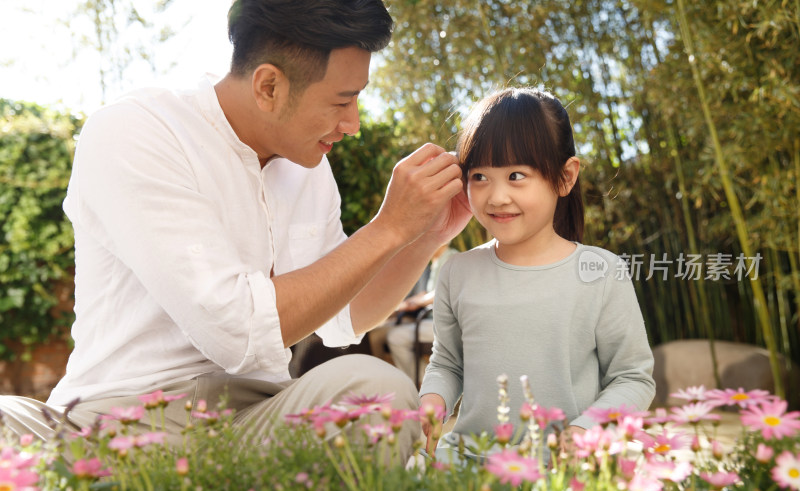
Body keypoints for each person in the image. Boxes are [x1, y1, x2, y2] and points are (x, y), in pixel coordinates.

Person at [0, 0, 472, 461]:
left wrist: (424, 234)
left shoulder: (308, 166)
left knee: (381, 393)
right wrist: (387, 227)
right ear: (269, 86)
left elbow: (345, 314)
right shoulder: (136, 131)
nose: (354, 124)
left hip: (252, 421)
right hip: (112, 422)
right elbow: (237, 330)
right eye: (342, 101)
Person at [418, 87, 655, 460]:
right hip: (470, 467)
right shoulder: (457, 271)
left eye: (516, 175)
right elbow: (448, 363)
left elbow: (632, 378)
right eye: (479, 176)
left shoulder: (600, 273)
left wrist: (584, 432)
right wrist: (432, 400)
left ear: (565, 177)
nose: (496, 196)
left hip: (564, 472)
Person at [386, 242, 457, 384]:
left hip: (447, 325)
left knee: (396, 337)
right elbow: (427, 293)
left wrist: (419, 302)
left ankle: (428, 383)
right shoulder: (436, 262)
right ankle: (430, 381)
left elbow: (441, 291)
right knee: (391, 328)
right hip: (432, 321)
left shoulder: (453, 258)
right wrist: (405, 305)